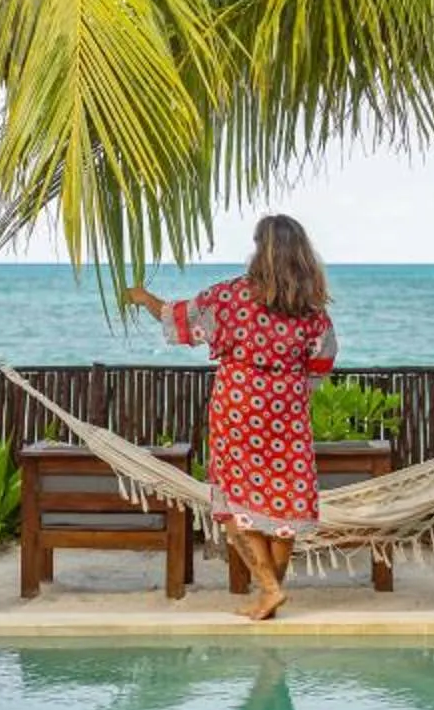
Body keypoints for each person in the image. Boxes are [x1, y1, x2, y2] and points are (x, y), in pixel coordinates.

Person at [125, 216, 337, 621]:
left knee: (236, 499)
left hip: (238, 407)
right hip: (288, 411)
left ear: (261, 249)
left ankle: (269, 590)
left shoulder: (231, 296)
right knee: (285, 505)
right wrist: (290, 388)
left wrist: (143, 297)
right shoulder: (312, 311)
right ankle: (269, 593)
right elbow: (323, 362)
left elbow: (179, 318)